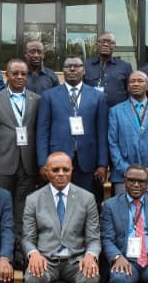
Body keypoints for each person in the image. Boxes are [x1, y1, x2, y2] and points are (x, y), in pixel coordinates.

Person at [22, 152, 102, 283]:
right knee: (32, 277)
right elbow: (27, 238)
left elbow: (94, 237)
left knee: (91, 276)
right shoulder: (33, 199)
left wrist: (91, 255)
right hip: (46, 260)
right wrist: (33, 253)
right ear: (46, 172)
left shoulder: (87, 198)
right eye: (55, 170)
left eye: (65, 169)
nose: (60, 174)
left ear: (72, 171)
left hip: (75, 260)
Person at [0, 59, 40, 265]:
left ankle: (19, 253)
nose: (19, 77)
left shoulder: (37, 99)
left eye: (23, 74)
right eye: (15, 73)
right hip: (2, 164)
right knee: (1, 208)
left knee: (23, 211)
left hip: (28, 164)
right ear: (6, 75)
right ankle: (2, 253)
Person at [36, 57, 109, 206]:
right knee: (58, 201)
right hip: (58, 158)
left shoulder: (98, 96)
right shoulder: (49, 96)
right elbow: (42, 131)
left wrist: (102, 164)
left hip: (88, 160)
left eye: (77, 66)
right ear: (63, 71)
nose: (72, 69)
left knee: (86, 202)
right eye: (68, 66)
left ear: (84, 70)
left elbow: (102, 132)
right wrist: (42, 162)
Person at [107, 71, 148, 197]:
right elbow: (112, 143)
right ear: (127, 86)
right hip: (123, 176)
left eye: (140, 81)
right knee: (123, 215)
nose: (136, 84)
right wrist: (125, 169)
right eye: (132, 81)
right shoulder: (115, 111)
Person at [83, 31, 132, 108]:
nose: (105, 44)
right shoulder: (85, 65)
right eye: (102, 41)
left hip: (117, 113)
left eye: (110, 42)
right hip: (92, 112)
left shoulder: (125, 66)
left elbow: (130, 91)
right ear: (96, 45)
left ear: (115, 47)